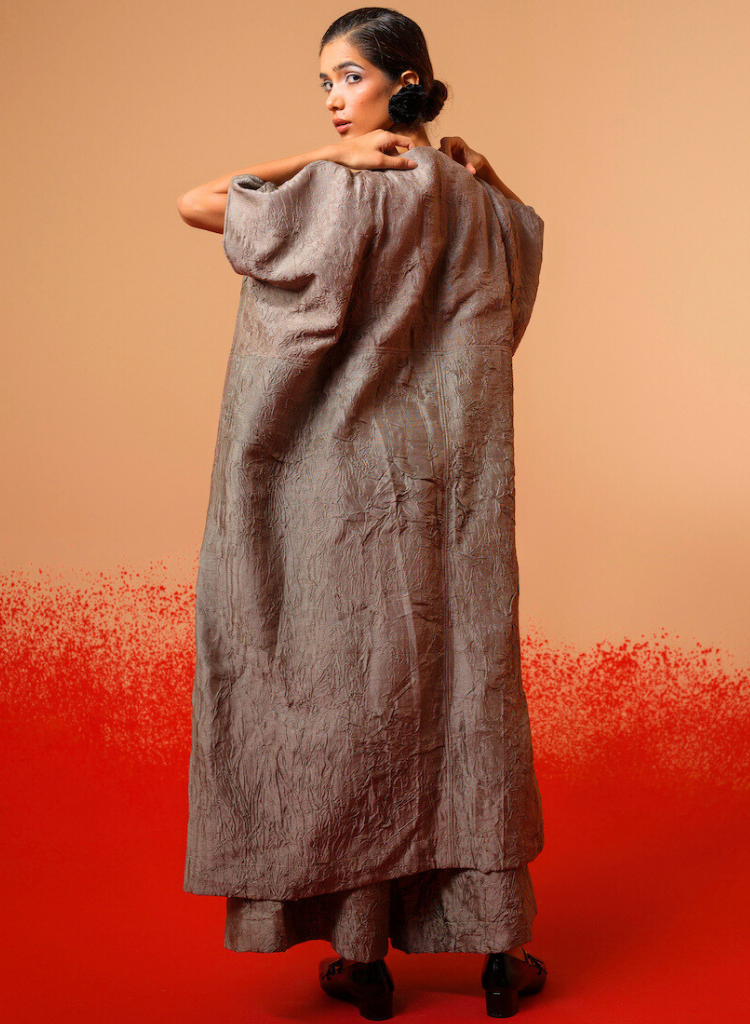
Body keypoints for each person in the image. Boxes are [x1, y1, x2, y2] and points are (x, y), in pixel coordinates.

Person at [177, 7, 548, 1020]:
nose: (336, 102)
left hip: (335, 496)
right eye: (325, 86)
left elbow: (196, 202)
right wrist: (486, 173)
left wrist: (321, 156)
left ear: (405, 81)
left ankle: (364, 956)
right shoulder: (478, 203)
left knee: (355, 706)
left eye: (348, 77)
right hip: (453, 495)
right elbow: (518, 272)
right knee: (462, 701)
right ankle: (499, 952)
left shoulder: (338, 186)